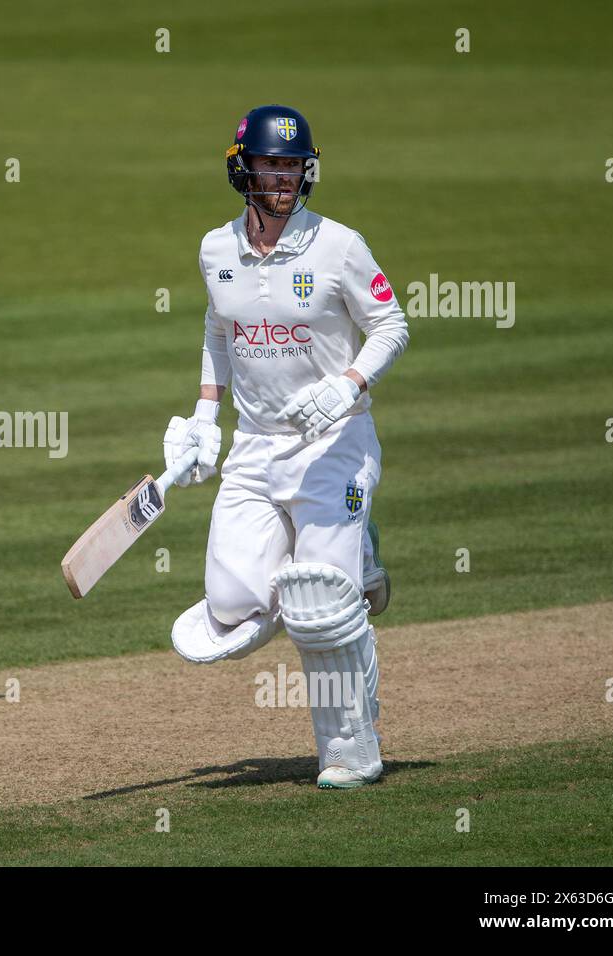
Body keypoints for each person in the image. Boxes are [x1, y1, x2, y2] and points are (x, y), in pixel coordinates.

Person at [166, 105, 407, 788]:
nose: (284, 176)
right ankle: (359, 551)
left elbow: (391, 325)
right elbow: (219, 333)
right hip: (255, 447)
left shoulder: (340, 246)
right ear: (242, 167)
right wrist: (202, 418)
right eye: (272, 163)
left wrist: (348, 384)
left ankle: (351, 748)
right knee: (231, 605)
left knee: (318, 607)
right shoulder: (216, 251)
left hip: (336, 443)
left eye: (294, 164)